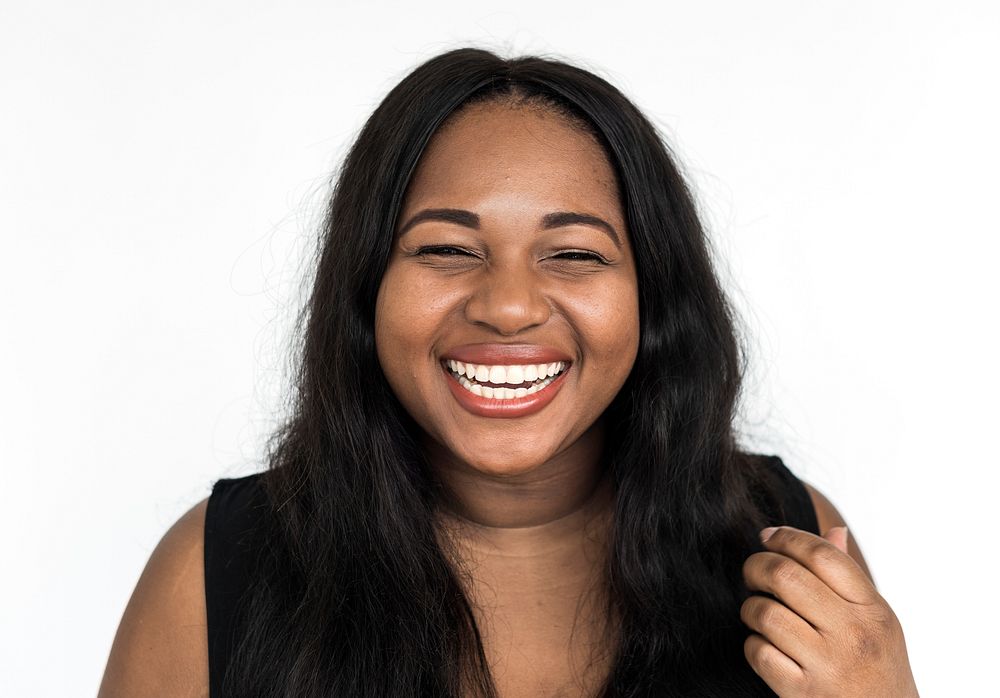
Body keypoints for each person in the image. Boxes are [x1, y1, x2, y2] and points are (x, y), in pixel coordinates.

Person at [98, 48, 918, 697]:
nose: (511, 306)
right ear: (368, 288)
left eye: (573, 254)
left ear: (653, 297)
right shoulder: (212, 575)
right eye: (448, 250)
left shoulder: (791, 545)